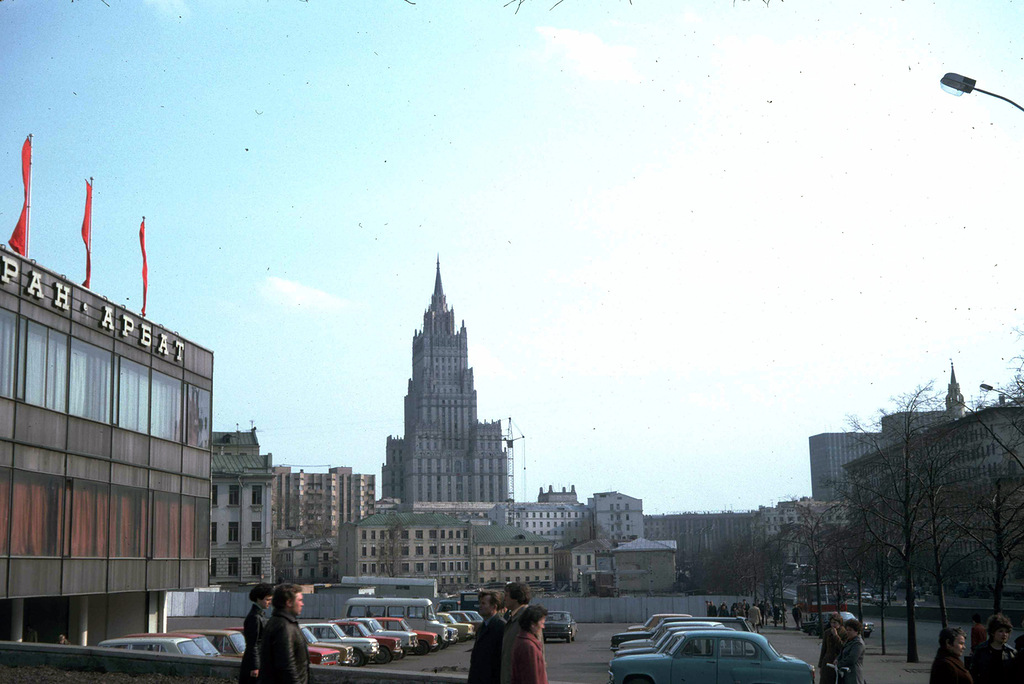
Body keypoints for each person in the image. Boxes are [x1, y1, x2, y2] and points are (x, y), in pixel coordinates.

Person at [259, 583, 309, 684]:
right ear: (289, 602)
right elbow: (286, 665)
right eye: (300, 600)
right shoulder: (284, 626)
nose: (302, 604)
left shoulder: (278, 622)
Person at [469, 590, 506, 684]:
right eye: (480, 603)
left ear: (494, 607)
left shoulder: (501, 626)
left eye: (483, 603)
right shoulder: (482, 626)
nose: (480, 606)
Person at [240, 583, 273, 684]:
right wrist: (255, 666)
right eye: (267, 600)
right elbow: (253, 644)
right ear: (259, 599)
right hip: (253, 665)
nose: (270, 602)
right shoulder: (254, 617)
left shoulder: (258, 616)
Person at [969, 613, 1016, 684]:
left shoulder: (1011, 652)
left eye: (1006, 632)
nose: (1004, 634)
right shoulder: (981, 650)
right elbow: (973, 672)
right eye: (1000, 631)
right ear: (992, 632)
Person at [500, 582, 532, 684]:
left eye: (506, 596)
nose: (504, 599)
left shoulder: (527, 619)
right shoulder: (514, 617)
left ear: (516, 598)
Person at [511, 604, 549, 684]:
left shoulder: (524, 641)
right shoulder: (529, 646)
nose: (543, 627)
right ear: (533, 624)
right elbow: (532, 677)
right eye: (541, 623)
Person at [834, 618, 865, 684]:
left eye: (850, 630)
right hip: (845, 673)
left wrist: (839, 664)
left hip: (853, 674)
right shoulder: (849, 641)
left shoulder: (858, 643)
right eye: (847, 630)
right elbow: (842, 652)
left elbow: (852, 659)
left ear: (856, 631)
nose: (848, 632)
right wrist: (837, 659)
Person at [818, 613, 846, 684]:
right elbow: (824, 649)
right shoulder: (827, 632)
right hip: (827, 661)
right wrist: (820, 665)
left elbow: (843, 647)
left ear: (839, 623)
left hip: (837, 662)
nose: (833, 625)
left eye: (835, 623)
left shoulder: (844, 633)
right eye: (831, 623)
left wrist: (836, 636)